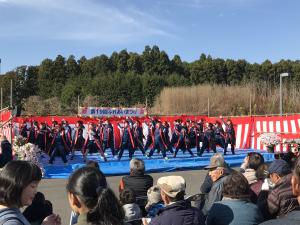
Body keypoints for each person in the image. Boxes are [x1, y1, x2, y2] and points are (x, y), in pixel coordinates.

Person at [0, 160, 61, 225]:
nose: (35, 191)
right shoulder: (12, 222)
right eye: (33, 186)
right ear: (18, 185)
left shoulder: (8, 213)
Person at [259, 157, 300, 224]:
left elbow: (267, 211)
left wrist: (263, 192)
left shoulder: (276, 192)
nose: (270, 178)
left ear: (276, 176)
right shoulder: (297, 180)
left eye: (270, 176)